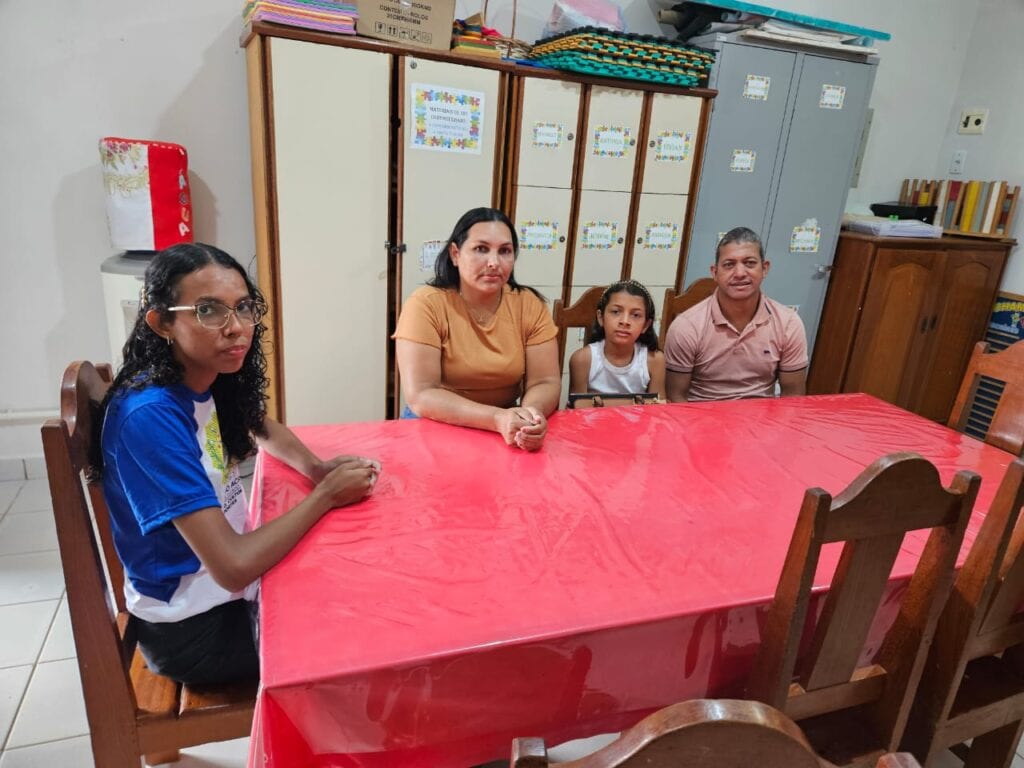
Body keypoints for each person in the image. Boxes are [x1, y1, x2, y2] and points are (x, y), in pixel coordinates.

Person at [97, 243, 380, 685]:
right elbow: (232, 567)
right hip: (193, 631)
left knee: (358, 569)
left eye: (243, 308)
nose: (236, 328)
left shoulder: (200, 375)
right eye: (209, 311)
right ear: (162, 322)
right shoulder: (149, 415)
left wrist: (316, 469)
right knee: (371, 628)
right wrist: (325, 496)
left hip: (219, 596)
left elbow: (260, 426)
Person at [394, 207, 560, 451]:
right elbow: (422, 394)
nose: (494, 262)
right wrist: (495, 418)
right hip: (436, 423)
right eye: (481, 249)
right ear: (455, 254)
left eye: (505, 251)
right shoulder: (426, 304)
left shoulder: (529, 304)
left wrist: (529, 415)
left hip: (507, 427)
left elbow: (546, 381)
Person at [664, 227, 808, 402]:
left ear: (765, 268)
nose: (740, 273)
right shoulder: (686, 327)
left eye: (749, 263)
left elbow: (793, 395)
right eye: (729, 264)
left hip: (762, 419)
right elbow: (676, 396)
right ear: (715, 273)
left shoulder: (788, 323)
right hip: (703, 420)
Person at [568, 279, 666, 398]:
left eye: (635, 315)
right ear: (601, 317)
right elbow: (577, 410)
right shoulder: (583, 360)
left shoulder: (654, 361)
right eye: (615, 312)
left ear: (645, 325)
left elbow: (658, 410)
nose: (625, 322)